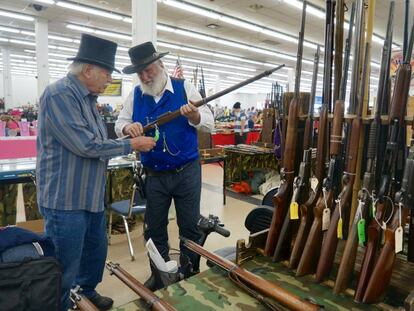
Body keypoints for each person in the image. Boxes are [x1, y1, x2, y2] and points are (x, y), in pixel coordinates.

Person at [36, 34, 156, 311]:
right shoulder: (59, 95)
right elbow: (86, 144)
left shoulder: (89, 100)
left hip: (89, 196)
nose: (109, 80)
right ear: (87, 70)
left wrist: (124, 135)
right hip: (65, 199)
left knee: (94, 253)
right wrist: (131, 143)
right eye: (107, 73)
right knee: (64, 263)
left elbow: (98, 142)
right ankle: (61, 303)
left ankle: (85, 292)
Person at [115, 41, 214, 290]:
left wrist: (195, 116)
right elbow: (119, 126)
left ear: (160, 65)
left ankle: (190, 273)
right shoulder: (136, 94)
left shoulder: (184, 87)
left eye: (149, 70)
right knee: (154, 228)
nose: (146, 76)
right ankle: (160, 274)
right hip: (154, 175)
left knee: (190, 226)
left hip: (187, 172)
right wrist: (129, 128)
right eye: (140, 73)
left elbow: (210, 122)